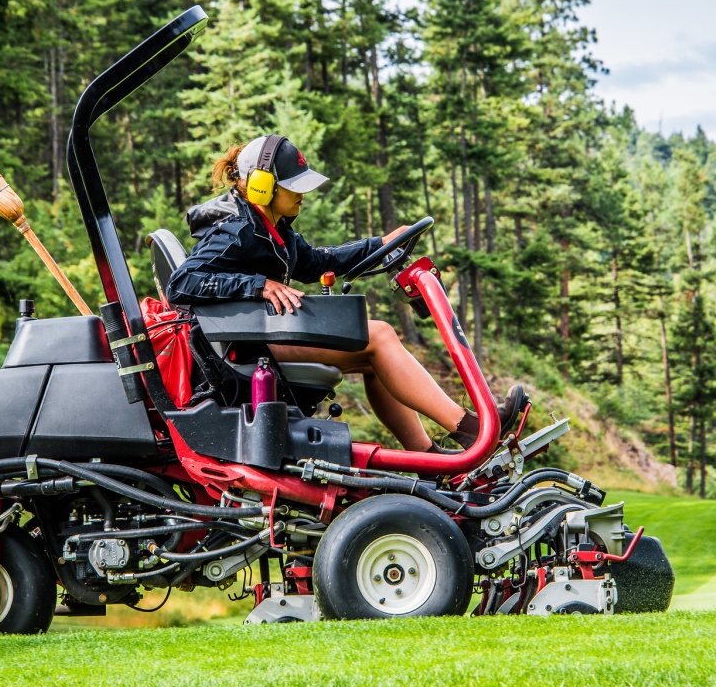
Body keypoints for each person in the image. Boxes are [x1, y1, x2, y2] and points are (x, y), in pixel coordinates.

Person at [165, 134, 525, 453]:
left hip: (260, 336)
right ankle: (471, 429)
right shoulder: (237, 230)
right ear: (262, 186)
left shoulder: (275, 230)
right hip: (242, 347)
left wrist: (380, 245)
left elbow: (319, 262)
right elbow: (181, 283)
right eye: (294, 186)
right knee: (378, 334)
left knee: (372, 355)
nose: (303, 194)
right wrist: (259, 285)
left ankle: (427, 453)